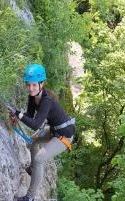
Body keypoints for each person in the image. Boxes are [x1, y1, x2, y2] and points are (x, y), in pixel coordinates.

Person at [12, 64, 75, 201]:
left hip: (64, 137)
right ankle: (33, 169)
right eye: (28, 85)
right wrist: (18, 114)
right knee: (33, 143)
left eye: (34, 85)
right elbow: (29, 115)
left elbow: (35, 124)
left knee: (40, 159)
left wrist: (17, 113)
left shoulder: (47, 100)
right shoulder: (32, 96)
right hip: (53, 130)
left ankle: (30, 197)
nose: (30, 88)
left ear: (42, 84)